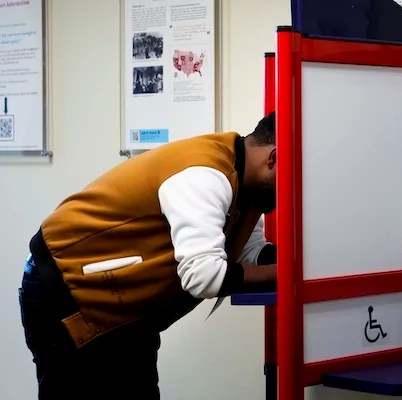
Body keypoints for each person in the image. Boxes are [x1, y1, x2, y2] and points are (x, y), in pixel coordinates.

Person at [18, 112, 278, 399]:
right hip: (67, 288)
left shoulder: (245, 184)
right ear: (273, 157)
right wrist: (287, 272)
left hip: (125, 303)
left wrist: (300, 264)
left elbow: (248, 253)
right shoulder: (205, 175)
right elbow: (205, 277)